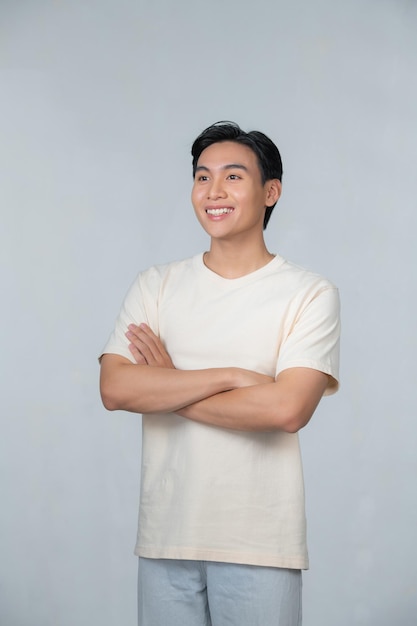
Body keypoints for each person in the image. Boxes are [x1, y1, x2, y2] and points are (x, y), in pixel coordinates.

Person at [99, 121, 340, 626]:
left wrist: (167, 385)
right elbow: (116, 387)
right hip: (166, 538)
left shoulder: (308, 293)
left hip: (259, 543)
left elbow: (287, 408)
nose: (213, 192)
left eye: (233, 177)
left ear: (270, 192)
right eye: (202, 177)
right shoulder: (156, 285)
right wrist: (232, 376)